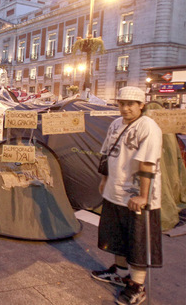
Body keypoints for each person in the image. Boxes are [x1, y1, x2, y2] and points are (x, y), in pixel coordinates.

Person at [91, 86, 163, 305]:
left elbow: (147, 164)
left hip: (136, 196)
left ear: (141, 105)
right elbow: (107, 153)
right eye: (122, 103)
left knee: (137, 241)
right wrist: (104, 180)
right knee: (116, 236)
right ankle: (121, 274)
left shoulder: (148, 127)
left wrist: (143, 196)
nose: (125, 108)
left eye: (131, 104)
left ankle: (137, 285)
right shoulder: (115, 124)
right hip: (114, 191)